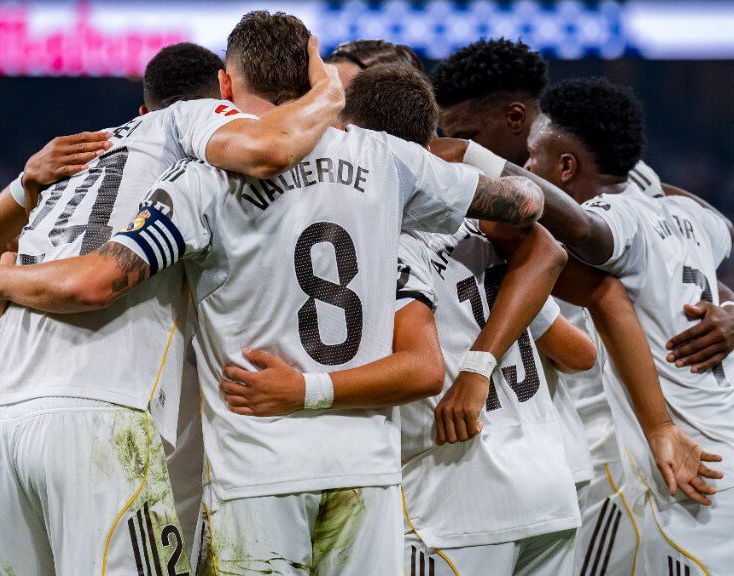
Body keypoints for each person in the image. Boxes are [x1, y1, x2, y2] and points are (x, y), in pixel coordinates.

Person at [0, 12, 548, 576]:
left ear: (225, 87)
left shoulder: (200, 180)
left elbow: (102, 276)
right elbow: (525, 203)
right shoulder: (387, 158)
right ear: (315, 80)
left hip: (257, 465)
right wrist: (455, 154)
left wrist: (10, 279)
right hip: (366, 466)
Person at [0, 34, 346, 575]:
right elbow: (270, 148)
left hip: (1, 415)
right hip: (100, 410)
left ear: (142, 108)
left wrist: (20, 211)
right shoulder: (192, 122)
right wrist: (328, 93)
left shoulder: (82, 157)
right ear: (224, 93)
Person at [216, 62, 592, 576]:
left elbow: (423, 369)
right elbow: (578, 350)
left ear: (352, 136)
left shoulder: (388, 235)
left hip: (456, 500)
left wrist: (306, 390)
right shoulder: (484, 233)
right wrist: (485, 358)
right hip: (548, 489)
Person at [430, 39, 734, 575]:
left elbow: (698, 239)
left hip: (607, 438)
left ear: (515, 119)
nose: (456, 144)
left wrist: (732, 306)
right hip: (544, 437)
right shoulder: (488, 189)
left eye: (467, 134)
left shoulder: (607, 177)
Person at [523, 77, 734, 576]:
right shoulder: (689, 216)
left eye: (531, 157)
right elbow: (727, 229)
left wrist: (478, 166)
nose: (525, 169)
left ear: (565, 167)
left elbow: (583, 228)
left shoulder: (615, 214)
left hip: (701, 480)